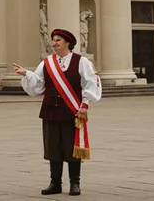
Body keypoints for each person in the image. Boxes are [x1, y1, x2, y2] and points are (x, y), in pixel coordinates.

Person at [12, 29, 101, 197]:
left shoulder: (81, 61)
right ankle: (55, 183)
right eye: (53, 40)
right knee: (53, 147)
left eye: (58, 40)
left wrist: (85, 104)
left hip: (72, 111)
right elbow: (38, 84)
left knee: (72, 148)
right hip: (50, 110)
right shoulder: (47, 62)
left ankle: (75, 183)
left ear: (68, 42)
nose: (54, 43)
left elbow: (90, 83)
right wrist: (26, 74)